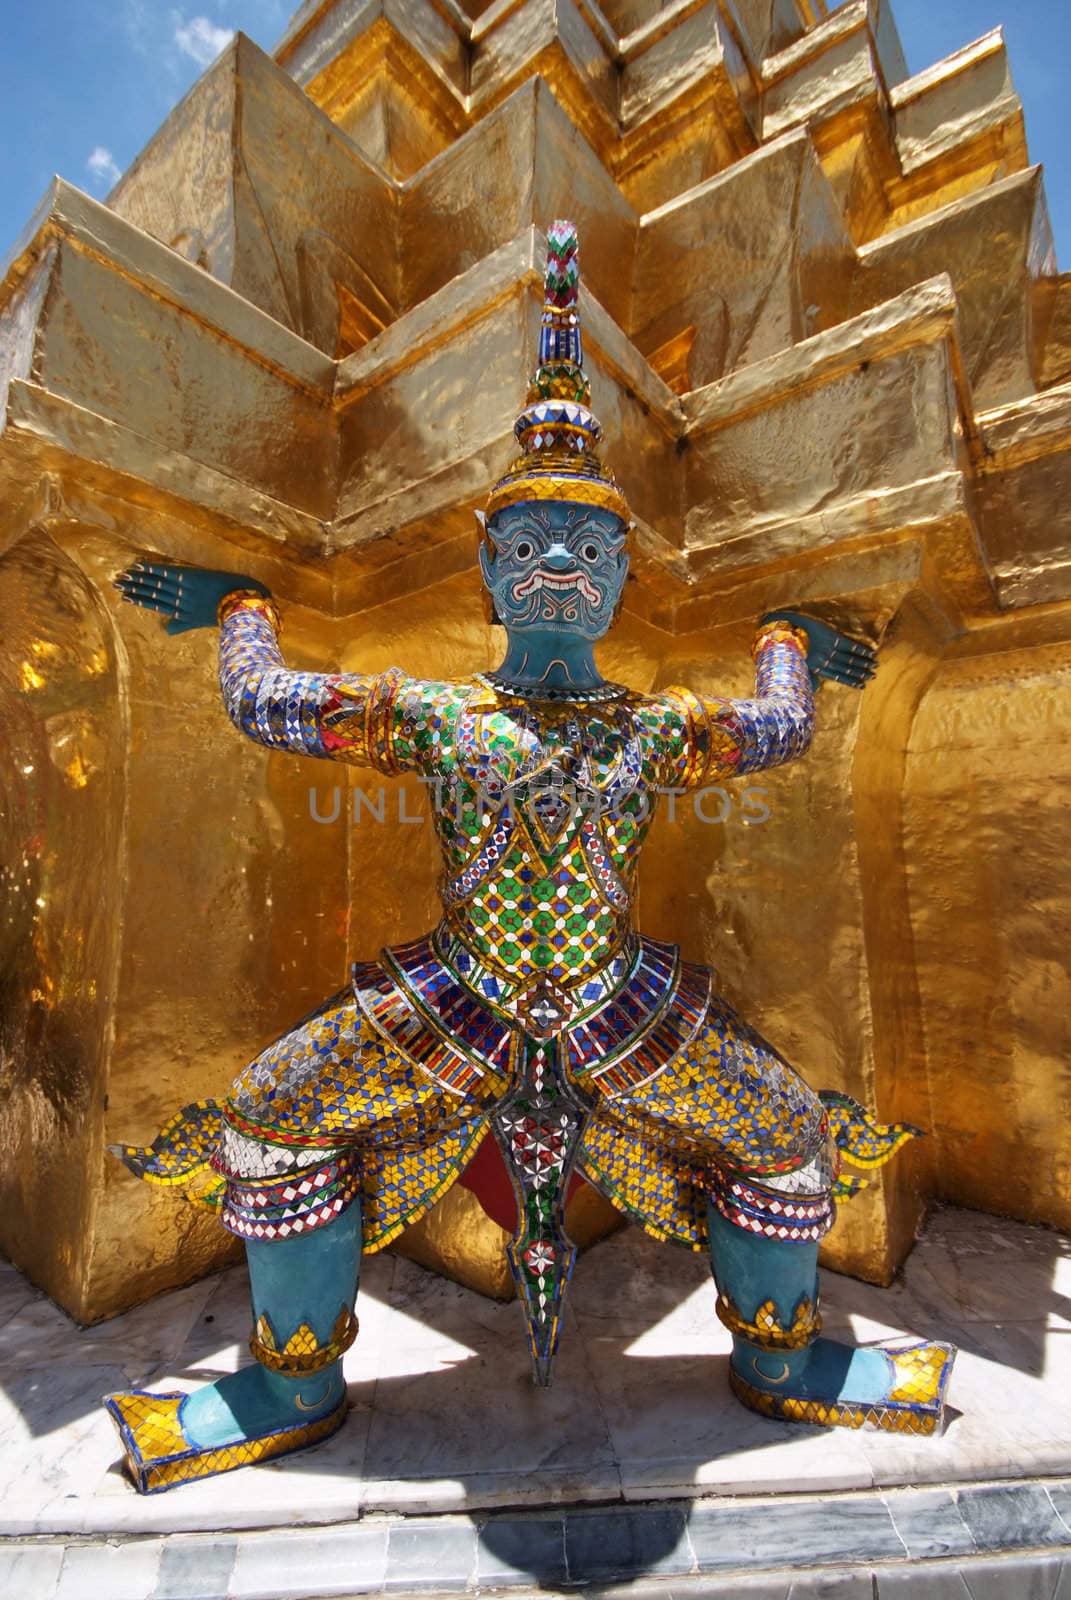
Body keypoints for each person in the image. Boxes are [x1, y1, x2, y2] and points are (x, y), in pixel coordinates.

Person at [105, 222, 953, 1495]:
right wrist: (241, 604)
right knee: (270, 1125)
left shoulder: (655, 730)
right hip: (454, 997)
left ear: (621, 576)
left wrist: (785, 639)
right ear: (492, 572)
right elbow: (261, 701)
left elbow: (775, 730)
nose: (562, 561)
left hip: (625, 1010)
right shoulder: (437, 716)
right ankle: (292, 1378)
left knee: (785, 1140)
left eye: (592, 548)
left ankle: (780, 1357)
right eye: (533, 545)